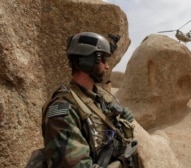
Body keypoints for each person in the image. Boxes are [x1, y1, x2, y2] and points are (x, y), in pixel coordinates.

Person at [41, 32, 141, 168]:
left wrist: (123, 121)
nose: (107, 66)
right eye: (104, 60)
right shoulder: (63, 111)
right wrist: (120, 163)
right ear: (88, 62)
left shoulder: (101, 96)